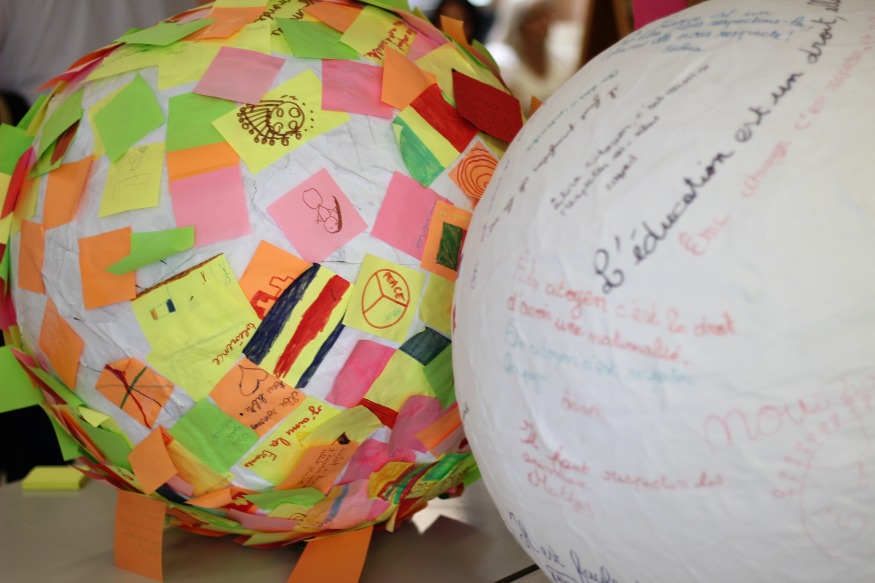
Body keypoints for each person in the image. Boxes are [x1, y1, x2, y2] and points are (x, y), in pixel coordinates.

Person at [487, 0, 577, 114]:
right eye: (534, 18)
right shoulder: (500, 60)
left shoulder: (559, 60)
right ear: (518, 24)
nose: (544, 23)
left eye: (546, 14)